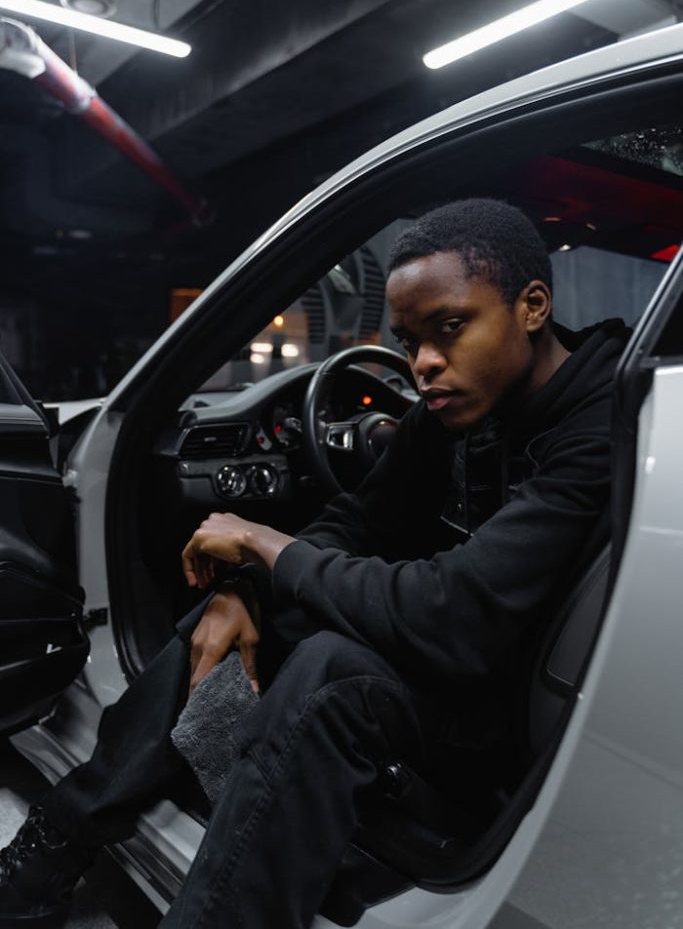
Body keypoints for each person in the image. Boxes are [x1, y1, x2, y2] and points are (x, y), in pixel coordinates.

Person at [0, 199, 628, 929]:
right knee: (240, 613)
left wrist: (264, 546)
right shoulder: (462, 403)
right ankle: (53, 850)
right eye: (409, 341)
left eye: (451, 327)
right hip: (472, 666)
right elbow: (359, 519)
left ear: (532, 307)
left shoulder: (602, 424)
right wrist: (248, 587)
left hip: (538, 722)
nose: (424, 363)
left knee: (330, 675)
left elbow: (455, 615)